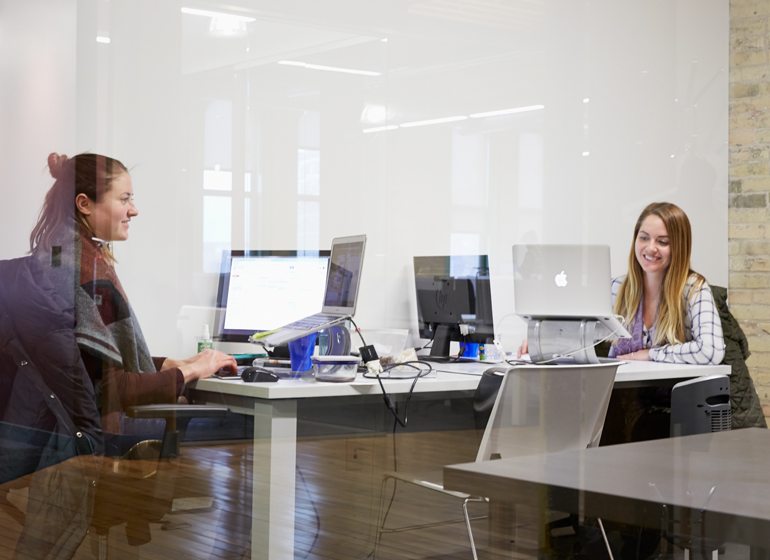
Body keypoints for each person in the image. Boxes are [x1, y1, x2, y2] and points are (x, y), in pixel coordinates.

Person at [29, 152, 237, 437]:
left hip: (69, 429)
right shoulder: (88, 274)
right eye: (124, 199)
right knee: (245, 421)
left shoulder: (56, 257)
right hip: (111, 432)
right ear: (84, 204)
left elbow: (95, 368)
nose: (134, 210)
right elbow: (112, 390)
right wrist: (191, 371)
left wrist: (166, 365)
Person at [609, 201, 725, 364]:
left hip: (670, 388)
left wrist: (651, 354)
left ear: (679, 247)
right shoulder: (617, 287)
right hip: (620, 387)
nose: (650, 248)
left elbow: (710, 352)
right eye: (643, 238)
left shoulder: (694, 289)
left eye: (662, 242)